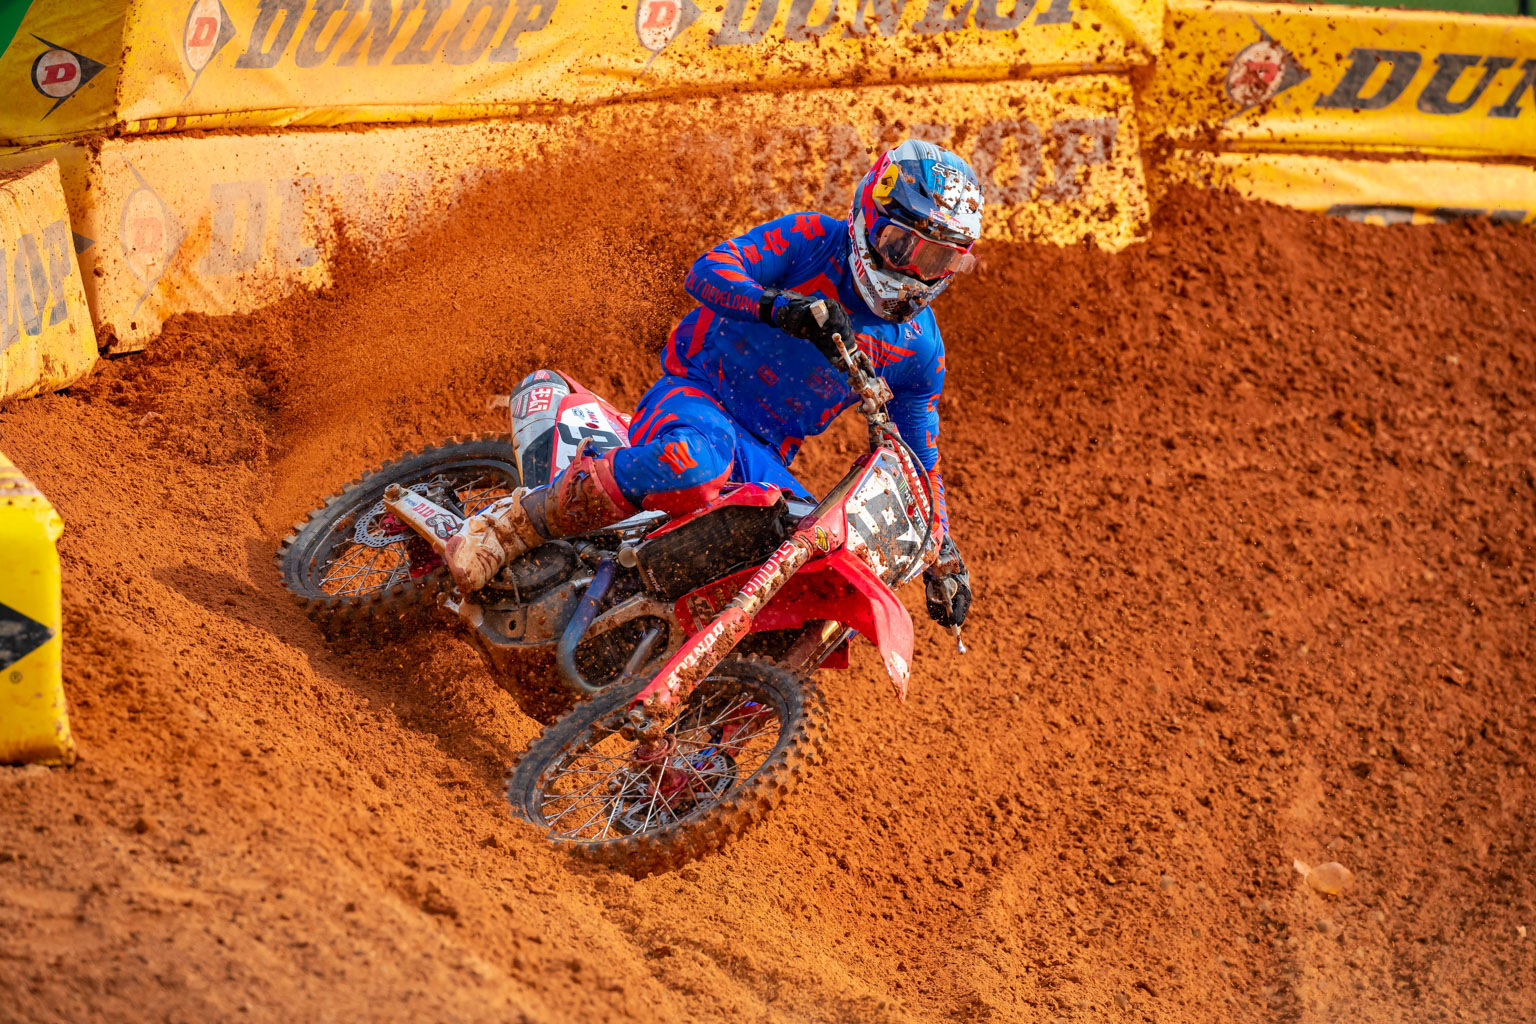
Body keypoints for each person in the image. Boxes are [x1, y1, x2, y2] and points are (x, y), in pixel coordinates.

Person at [445, 139, 977, 629]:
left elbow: (917, 458)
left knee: (818, 560)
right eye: (902, 245)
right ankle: (514, 525)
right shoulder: (814, 239)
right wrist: (780, 307)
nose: (914, 271)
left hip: (764, 455)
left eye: (936, 259)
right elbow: (708, 270)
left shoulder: (919, 348)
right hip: (698, 395)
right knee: (696, 465)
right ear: (870, 216)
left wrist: (943, 555)